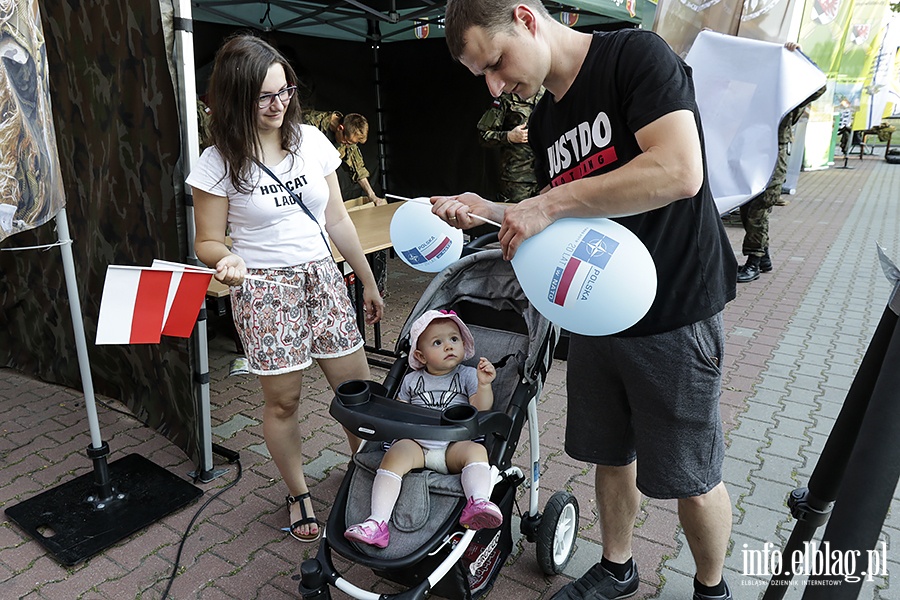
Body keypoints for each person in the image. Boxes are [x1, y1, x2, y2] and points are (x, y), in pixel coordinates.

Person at [434, 2, 737, 599]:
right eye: (483, 78)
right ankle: (618, 567)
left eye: (495, 63)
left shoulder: (634, 56)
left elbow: (679, 169)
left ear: (525, 18)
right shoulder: (546, 119)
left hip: (674, 313)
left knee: (693, 475)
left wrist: (548, 203)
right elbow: (564, 215)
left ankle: (711, 588)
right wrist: (491, 210)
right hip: (596, 314)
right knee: (608, 453)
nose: (495, 87)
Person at [186, 34, 384, 543]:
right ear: (235, 97)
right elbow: (205, 240)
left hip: (323, 277)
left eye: (286, 92)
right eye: (265, 97)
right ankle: (298, 493)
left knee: (356, 395)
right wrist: (224, 256)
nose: (279, 105)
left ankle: (369, 481)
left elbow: (337, 218)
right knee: (283, 403)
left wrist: (364, 279)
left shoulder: (313, 143)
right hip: (265, 291)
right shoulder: (217, 162)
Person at [344, 310, 502, 548]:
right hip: (417, 445)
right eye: (438, 343)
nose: (448, 346)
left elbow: (480, 410)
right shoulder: (411, 380)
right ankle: (377, 522)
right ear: (420, 355)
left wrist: (484, 385)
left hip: (453, 447)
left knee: (476, 452)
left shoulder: (468, 375)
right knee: (394, 456)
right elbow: (399, 414)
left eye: (454, 339)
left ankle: (477, 502)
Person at [737, 42, 813, 283]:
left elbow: (816, 84)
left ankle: (754, 262)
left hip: (775, 155)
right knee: (747, 207)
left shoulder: (792, 96)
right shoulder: (756, 92)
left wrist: (800, 56)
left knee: (759, 208)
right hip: (752, 153)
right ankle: (764, 256)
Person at [304, 109, 386, 206]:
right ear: (340, 128)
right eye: (346, 142)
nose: (347, 146)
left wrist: (373, 197)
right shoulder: (309, 124)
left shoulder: (348, 137)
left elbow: (358, 168)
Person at [476, 88, 545, 203]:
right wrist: (509, 137)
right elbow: (483, 135)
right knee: (515, 216)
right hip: (517, 179)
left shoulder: (551, 95)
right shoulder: (507, 98)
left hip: (547, 176)